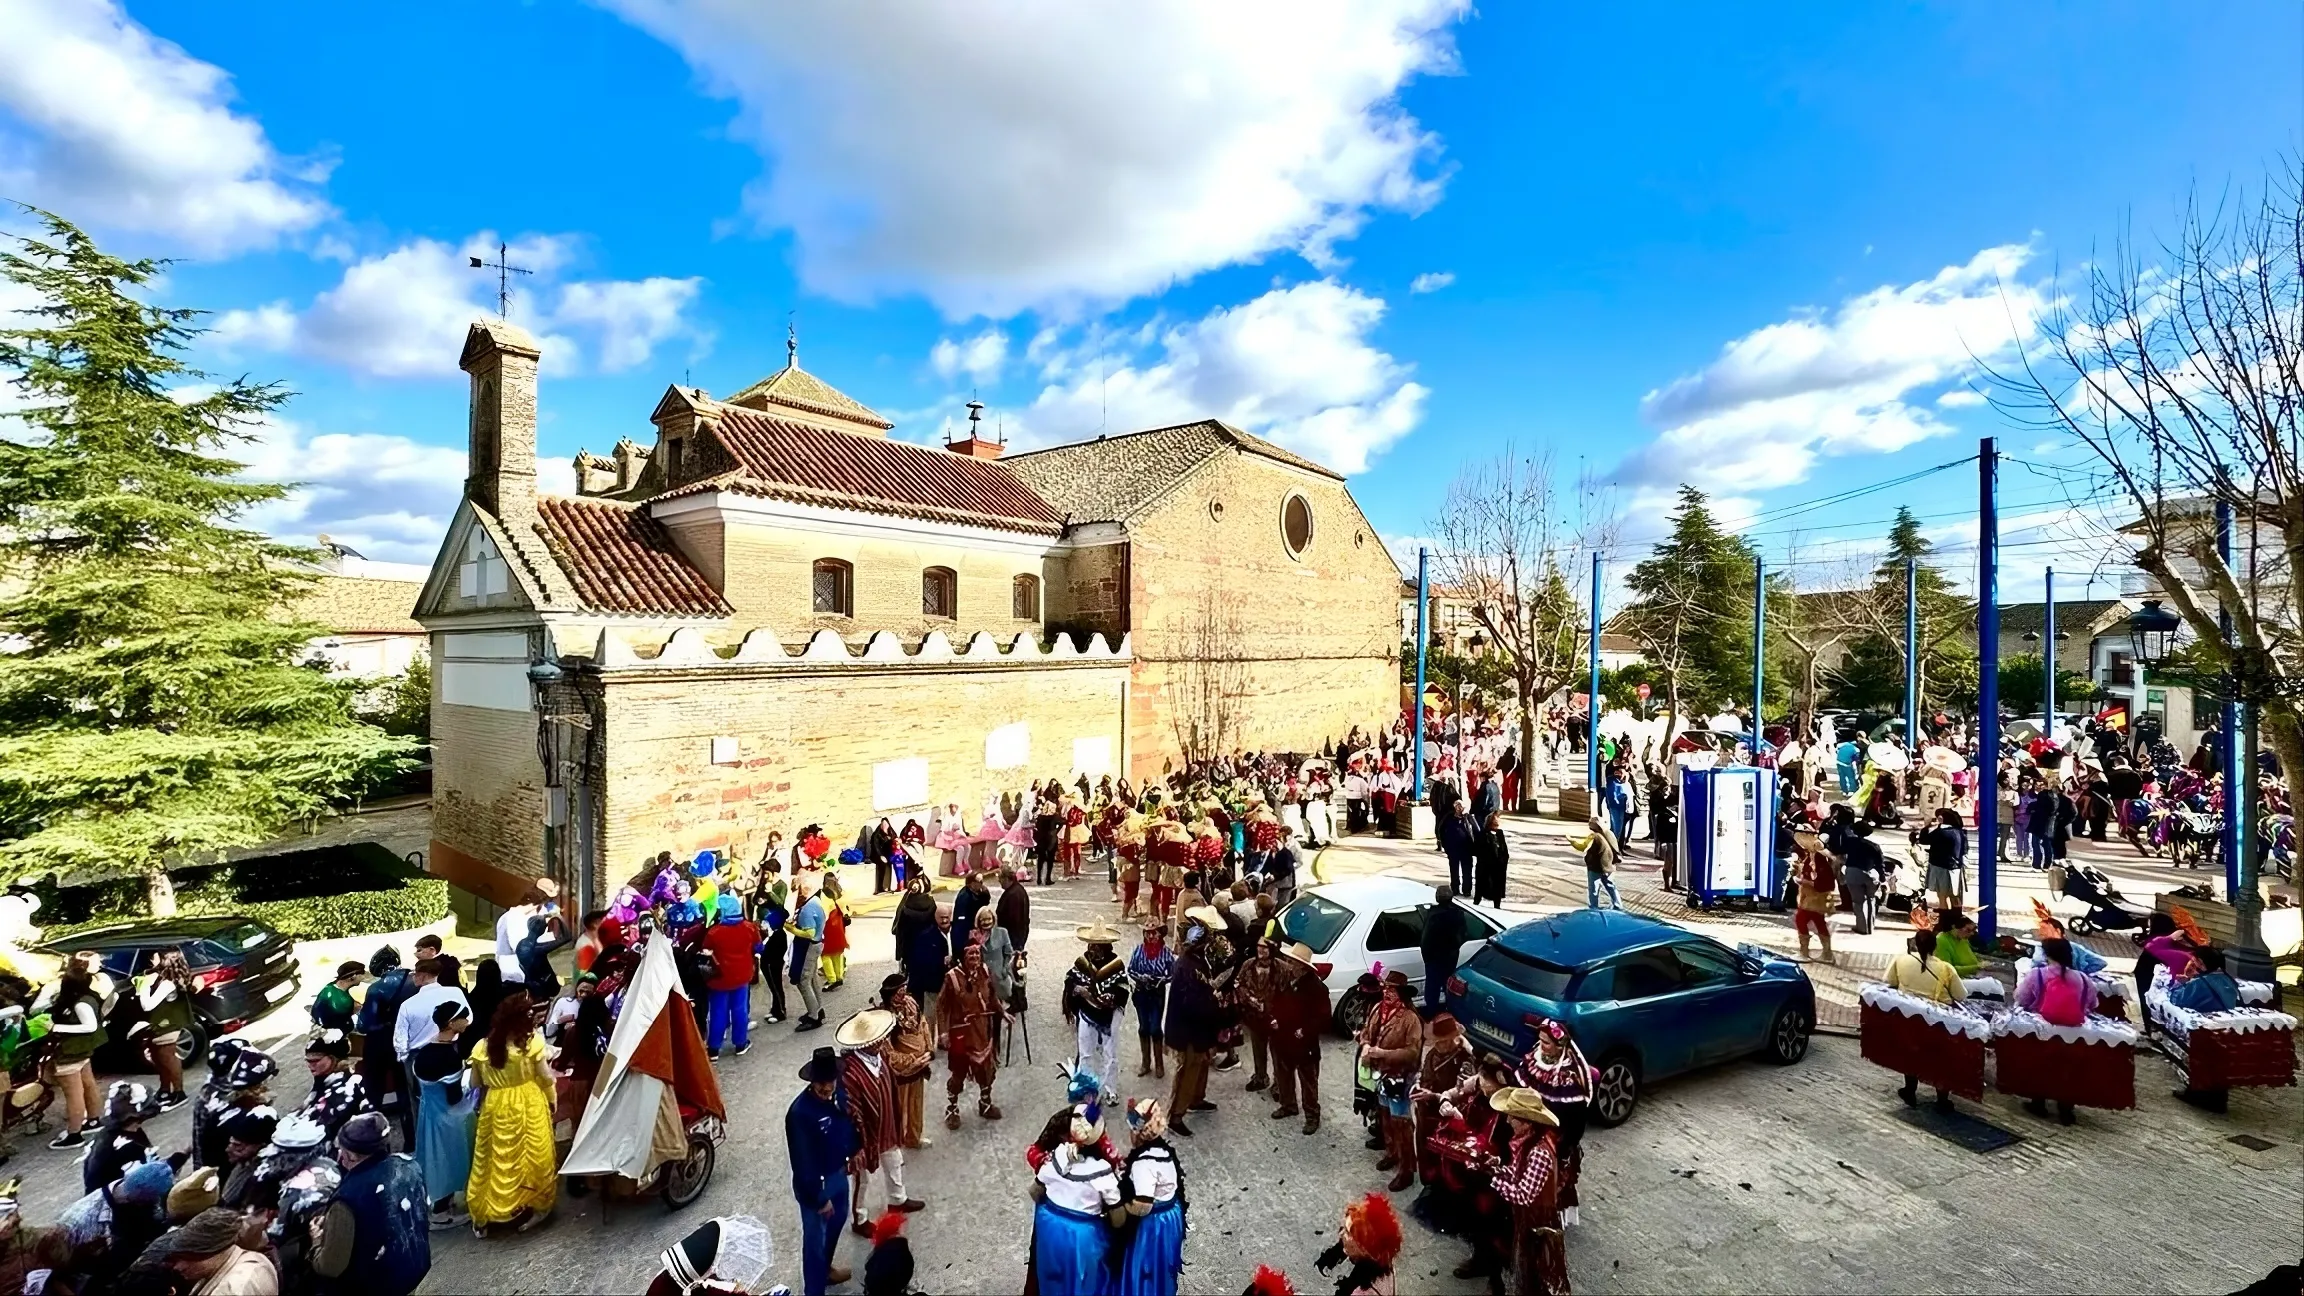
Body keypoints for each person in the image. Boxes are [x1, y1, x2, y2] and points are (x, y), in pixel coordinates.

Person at [311, 1112, 431, 1296]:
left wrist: (317, 1242)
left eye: (341, 1150)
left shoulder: (347, 1199)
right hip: (413, 1267)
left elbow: (331, 1266)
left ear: (349, 1155)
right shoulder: (409, 1165)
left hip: (376, 1285)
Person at [466, 991, 555, 1235]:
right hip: (528, 1101)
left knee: (492, 1160)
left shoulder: (482, 1048)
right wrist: (552, 1097)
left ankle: (485, 1216)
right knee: (534, 1155)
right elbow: (546, 1078)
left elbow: (475, 1083)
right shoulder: (532, 1044)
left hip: (496, 1104)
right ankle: (537, 1206)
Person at [836, 1009, 925, 1236]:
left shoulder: (880, 1058)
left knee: (894, 1162)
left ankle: (898, 1199)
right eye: (877, 1039)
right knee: (862, 1178)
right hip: (864, 1134)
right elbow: (850, 1109)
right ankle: (859, 1219)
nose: (882, 1042)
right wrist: (858, 1143)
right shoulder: (849, 1071)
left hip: (887, 1125)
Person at [1029, 1100, 1126, 1296]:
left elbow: (1034, 1192)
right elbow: (1118, 1218)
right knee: (1085, 1282)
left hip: (1050, 1229)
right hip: (1083, 1237)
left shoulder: (1057, 1156)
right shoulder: (1102, 1171)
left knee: (1052, 1278)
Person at [787, 1046, 858, 1296]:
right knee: (815, 1242)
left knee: (838, 1222)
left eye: (829, 1083)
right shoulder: (799, 1113)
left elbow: (847, 1124)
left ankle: (826, 1271)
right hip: (816, 1186)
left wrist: (855, 1150)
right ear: (812, 1082)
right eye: (821, 1085)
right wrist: (818, 1198)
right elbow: (802, 1162)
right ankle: (814, 1291)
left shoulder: (839, 1093)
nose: (826, 1089)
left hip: (838, 1175)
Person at [1489, 1087, 1569, 1296]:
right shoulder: (1526, 1143)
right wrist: (1497, 1168)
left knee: (1536, 1274)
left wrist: (1495, 1181)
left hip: (1537, 1222)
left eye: (1512, 1117)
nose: (1507, 1121)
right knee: (1524, 1269)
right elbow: (1518, 1174)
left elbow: (1524, 1195)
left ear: (1526, 1123)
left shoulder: (1539, 1153)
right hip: (1527, 1218)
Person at [2013, 937, 2096, 1126]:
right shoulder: (2083, 978)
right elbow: (2092, 1004)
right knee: (2069, 1071)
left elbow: (2021, 998)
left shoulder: (2037, 975)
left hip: (2044, 1031)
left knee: (2040, 1067)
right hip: (2075, 1033)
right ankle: (2066, 1110)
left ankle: (2038, 1103)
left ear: (2046, 954)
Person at [1517, 1020, 1591, 1228]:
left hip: (1556, 1138)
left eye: (1546, 1043)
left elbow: (1576, 1122)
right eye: (1540, 1041)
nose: (1541, 1046)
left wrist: (1562, 1148)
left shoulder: (1569, 1077)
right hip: (1531, 1131)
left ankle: (1548, 1223)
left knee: (1551, 1185)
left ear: (1560, 1045)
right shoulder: (1535, 1059)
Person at [1358, 969, 1424, 1193]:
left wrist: (1382, 1053)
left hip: (1400, 1077)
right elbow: (1367, 1032)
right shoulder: (1377, 1009)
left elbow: (1413, 1053)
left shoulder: (1410, 1019)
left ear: (1402, 994)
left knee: (1401, 1122)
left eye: (1392, 990)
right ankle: (1392, 1153)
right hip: (1381, 1074)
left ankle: (1407, 1170)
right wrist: (1365, 1044)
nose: (1387, 993)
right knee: (1384, 1115)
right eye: (1386, 988)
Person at [411, 1003, 476, 1229]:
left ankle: (439, 1205)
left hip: (428, 1114)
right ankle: (440, 1212)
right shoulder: (448, 1057)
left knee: (434, 1158)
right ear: (451, 1023)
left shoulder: (423, 1051)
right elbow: (454, 1096)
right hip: (449, 1117)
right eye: (463, 1018)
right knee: (450, 1159)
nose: (467, 1021)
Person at [1884, 930, 1964, 1112]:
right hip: (1938, 1022)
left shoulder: (1901, 960)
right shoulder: (1946, 969)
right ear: (1935, 947)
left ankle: (1910, 1090)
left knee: (1911, 1053)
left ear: (1915, 944)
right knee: (1941, 1059)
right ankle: (1942, 1099)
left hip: (1909, 1018)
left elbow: (1889, 982)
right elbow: (1961, 995)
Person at [1163, 915, 1226, 1139]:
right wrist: (1213, 1002)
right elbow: (1192, 1004)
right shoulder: (1188, 967)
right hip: (1188, 1031)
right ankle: (1176, 1116)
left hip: (1197, 1029)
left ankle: (1196, 1099)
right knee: (1187, 1071)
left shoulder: (1196, 961)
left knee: (1201, 1065)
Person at [1117, 1097, 1186, 1296]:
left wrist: (1120, 1205)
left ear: (1138, 1134)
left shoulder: (1143, 1164)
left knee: (1145, 1266)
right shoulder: (1163, 1152)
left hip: (1154, 1224)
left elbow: (1143, 1205)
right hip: (1171, 1215)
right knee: (1161, 1267)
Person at [935, 941, 1002, 1130]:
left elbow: (993, 997)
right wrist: (943, 1032)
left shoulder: (985, 972)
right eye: (970, 955)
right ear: (963, 958)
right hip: (961, 1033)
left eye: (977, 955)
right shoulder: (952, 977)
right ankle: (952, 1109)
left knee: (987, 1070)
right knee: (958, 1074)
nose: (975, 958)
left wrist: (1002, 1012)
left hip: (982, 1030)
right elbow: (941, 1005)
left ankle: (985, 1103)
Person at [2166, 946, 2242, 1112]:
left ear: (2201, 962)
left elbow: (2178, 1000)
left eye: (2195, 960)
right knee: (2219, 1066)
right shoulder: (2227, 979)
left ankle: (2197, 1096)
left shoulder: (2201, 983)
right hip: (2225, 1029)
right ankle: (2218, 1101)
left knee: (2201, 1063)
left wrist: (2180, 983)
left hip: (2205, 1029)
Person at [1267, 941, 1329, 1136]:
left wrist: (1305, 1030)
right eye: (1289, 961)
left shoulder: (1316, 988)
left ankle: (1312, 1116)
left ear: (1302, 966)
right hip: (1284, 1037)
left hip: (1304, 1043)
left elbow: (1323, 1017)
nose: (1289, 964)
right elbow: (1277, 1002)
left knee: (1308, 1080)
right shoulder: (1287, 979)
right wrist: (1275, 1018)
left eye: (1292, 962)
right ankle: (1288, 1105)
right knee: (1283, 1073)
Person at [1411, 1015, 1475, 1200]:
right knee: (1425, 1152)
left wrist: (1435, 1096)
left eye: (1442, 1042)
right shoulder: (1433, 1055)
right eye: (1436, 1042)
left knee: (1447, 1161)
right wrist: (1418, 1087)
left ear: (1452, 1039)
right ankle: (1429, 1184)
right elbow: (1423, 1075)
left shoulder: (1465, 1060)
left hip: (1449, 1117)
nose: (1438, 1046)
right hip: (1428, 1112)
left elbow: (1462, 1091)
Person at [357, 946, 417, 1135]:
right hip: (408, 1041)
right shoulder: (415, 980)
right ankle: (411, 1139)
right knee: (406, 1092)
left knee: (374, 1090)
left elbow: (364, 1025)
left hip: (380, 1043)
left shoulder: (377, 989)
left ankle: (372, 1137)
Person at [45, 962, 105, 1149]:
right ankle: (93, 1120)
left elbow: (90, 1026)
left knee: (73, 1094)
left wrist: (56, 1027)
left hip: (71, 1052)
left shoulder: (80, 1004)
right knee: (88, 1085)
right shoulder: (90, 997)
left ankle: (74, 1134)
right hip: (83, 1051)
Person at [1063, 923, 1129, 1093]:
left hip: (1110, 1015)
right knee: (1085, 1051)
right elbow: (1070, 981)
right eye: (1091, 944)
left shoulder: (1116, 964)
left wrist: (1111, 998)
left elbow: (1122, 987)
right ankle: (1086, 1087)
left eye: (1097, 945)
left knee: (1110, 1054)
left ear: (1106, 946)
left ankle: (1110, 1090)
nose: (1093, 949)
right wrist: (1079, 990)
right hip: (1086, 1013)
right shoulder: (1083, 962)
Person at [129, 951, 197, 1114]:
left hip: (167, 1024)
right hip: (160, 1024)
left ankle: (179, 1093)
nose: (151, 959)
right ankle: (165, 1089)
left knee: (168, 1057)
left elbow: (148, 1005)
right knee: (158, 1057)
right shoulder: (162, 977)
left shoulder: (167, 983)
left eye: (156, 956)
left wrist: (143, 986)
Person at [161, 1207, 279, 1295]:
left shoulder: (233, 1290)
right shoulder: (250, 1257)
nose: (178, 1267)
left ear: (212, 1251)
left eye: (186, 1257)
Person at [879, 975, 934, 1151]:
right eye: (898, 992)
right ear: (890, 995)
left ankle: (913, 1138)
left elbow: (923, 1024)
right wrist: (913, 1061)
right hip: (901, 1073)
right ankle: (896, 1147)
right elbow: (887, 1052)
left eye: (904, 989)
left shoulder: (911, 1002)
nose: (902, 994)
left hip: (920, 1066)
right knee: (898, 1110)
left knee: (916, 1105)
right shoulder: (885, 1017)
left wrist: (929, 1049)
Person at [701, 894, 760, 1059]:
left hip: (719, 979)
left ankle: (713, 1049)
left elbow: (705, 951)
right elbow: (759, 948)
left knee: (718, 1013)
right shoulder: (749, 927)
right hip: (742, 976)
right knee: (740, 1010)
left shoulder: (714, 932)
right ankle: (740, 1044)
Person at [1315, 1192, 1403, 1296]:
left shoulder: (1364, 1292)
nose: (1341, 1234)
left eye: (1348, 1232)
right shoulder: (1381, 1257)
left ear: (1363, 1249)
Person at [296, 1028, 374, 1141]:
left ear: (333, 1059)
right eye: (308, 1061)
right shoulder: (322, 1078)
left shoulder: (347, 1085)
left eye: (315, 1060)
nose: (310, 1065)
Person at [83, 1081, 158, 1194]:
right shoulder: (125, 1145)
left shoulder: (107, 1134)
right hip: (115, 1198)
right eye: (136, 1121)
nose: (138, 1124)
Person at [1128, 921, 1175, 1081]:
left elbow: (1172, 973)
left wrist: (1161, 979)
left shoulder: (1166, 953)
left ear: (1159, 934)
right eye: (1147, 933)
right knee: (1143, 1028)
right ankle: (1146, 1062)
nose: (1150, 936)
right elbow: (1130, 969)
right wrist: (1140, 977)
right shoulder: (1139, 951)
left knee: (1155, 1028)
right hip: (1141, 993)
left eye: (1153, 933)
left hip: (1157, 994)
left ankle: (1159, 1064)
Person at [754, 853, 792, 1026]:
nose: (764, 876)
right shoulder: (763, 883)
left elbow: (780, 904)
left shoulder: (781, 885)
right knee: (765, 966)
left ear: (774, 873)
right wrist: (760, 896)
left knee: (773, 971)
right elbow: (756, 900)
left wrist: (771, 893)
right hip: (764, 929)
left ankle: (780, 1009)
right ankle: (775, 1007)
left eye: (767, 873)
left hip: (776, 932)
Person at [1420, 886, 1468, 1014]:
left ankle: (1432, 1014)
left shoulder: (1433, 915)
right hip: (1449, 957)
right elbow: (1462, 935)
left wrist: (1427, 957)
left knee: (1432, 988)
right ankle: (1449, 1012)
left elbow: (1426, 939)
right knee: (1447, 986)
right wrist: (1454, 948)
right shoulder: (1458, 914)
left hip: (1434, 958)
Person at [1793, 833, 1839, 963]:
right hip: (1811, 898)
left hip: (1815, 899)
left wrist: (1804, 882)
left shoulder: (1821, 862)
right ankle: (1827, 954)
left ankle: (1804, 953)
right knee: (1819, 922)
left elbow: (1824, 884)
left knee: (1801, 920)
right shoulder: (1813, 858)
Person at [789, 880, 829, 1032]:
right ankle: (818, 1010)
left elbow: (809, 933)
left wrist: (790, 929)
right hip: (817, 943)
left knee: (803, 981)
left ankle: (814, 1016)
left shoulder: (807, 908)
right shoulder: (816, 901)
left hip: (809, 946)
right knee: (812, 979)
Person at [1911, 808, 1968, 911]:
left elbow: (1924, 840)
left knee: (1942, 897)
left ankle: (1945, 921)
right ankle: (1957, 919)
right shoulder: (1960, 832)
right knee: (1955, 897)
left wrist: (1927, 827)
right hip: (1956, 867)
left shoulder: (1941, 833)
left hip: (1941, 867)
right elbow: (1964, 850)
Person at [1839, 821, 1885, 935]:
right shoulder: (1874, 846)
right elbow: (1880, 863)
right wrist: (1882, 877)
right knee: (1871, 900)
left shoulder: (1850, 842)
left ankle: (1862, 927)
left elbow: (1840, 847)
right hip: (1870, 875)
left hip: (1853, 873)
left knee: (1858, 902)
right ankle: (1870, 926)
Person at [311, 961, 366, 1035]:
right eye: (362, 973)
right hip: (333, 1038)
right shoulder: (344, 1001)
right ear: (353, 976)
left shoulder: (331, 986)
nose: (363, 977)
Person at [1579, 817, 1620, 911]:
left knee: (1593, 889)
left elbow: (1587, 850)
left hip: (1596, 867)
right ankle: (1618, 905)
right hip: (1609, 866)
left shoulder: (1595, 837)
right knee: (1610, 886)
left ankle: (1594, 908)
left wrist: (1587, 860)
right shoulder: (1609, 834)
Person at [1472, 810, 1511, 908]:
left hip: (1498, 867)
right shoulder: (1483, 834)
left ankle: (1497, 906)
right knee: (1481, 886)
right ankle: (1476, 903)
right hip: (1485, 866)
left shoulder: (1500, 834)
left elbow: (1504, 849)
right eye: (1495, 822)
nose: (1497, 824)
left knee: (1497, 887)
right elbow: (1478, 850)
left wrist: (1503, 860)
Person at [820, 873, 851, 992]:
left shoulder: (825, 895)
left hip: (829, 926)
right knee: (838, 952)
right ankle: (839, 976)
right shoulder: (841, 893)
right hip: (839, 925)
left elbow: (824, 913)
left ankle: (831, 979)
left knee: (826, 954)